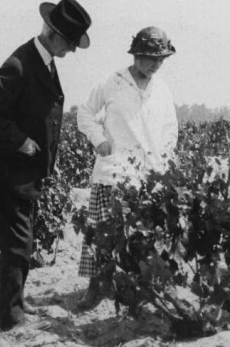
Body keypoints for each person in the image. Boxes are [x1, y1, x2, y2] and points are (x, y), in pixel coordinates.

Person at [0, 0, 91, 332]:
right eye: (69, 43)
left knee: (20, 244)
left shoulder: (45, 62)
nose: (72, 50)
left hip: (26, 174)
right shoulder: (20, 64)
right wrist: (21, 141)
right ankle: (10, 317)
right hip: (9, 173)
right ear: (54, 35)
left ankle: (16, 303)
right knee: (17, 247)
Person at [75, 26, 179, 311]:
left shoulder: (162, 89)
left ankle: (137, 291)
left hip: (147, 177)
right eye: (150, 58)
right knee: (102, 237)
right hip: (112, 173)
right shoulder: (112, 83)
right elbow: (84, 112)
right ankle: (95, 289)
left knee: (141, 239)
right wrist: (98, 140)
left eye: (161, 59)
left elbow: (171, 129)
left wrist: (165, 161)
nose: (156, 65)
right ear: (136, 55)